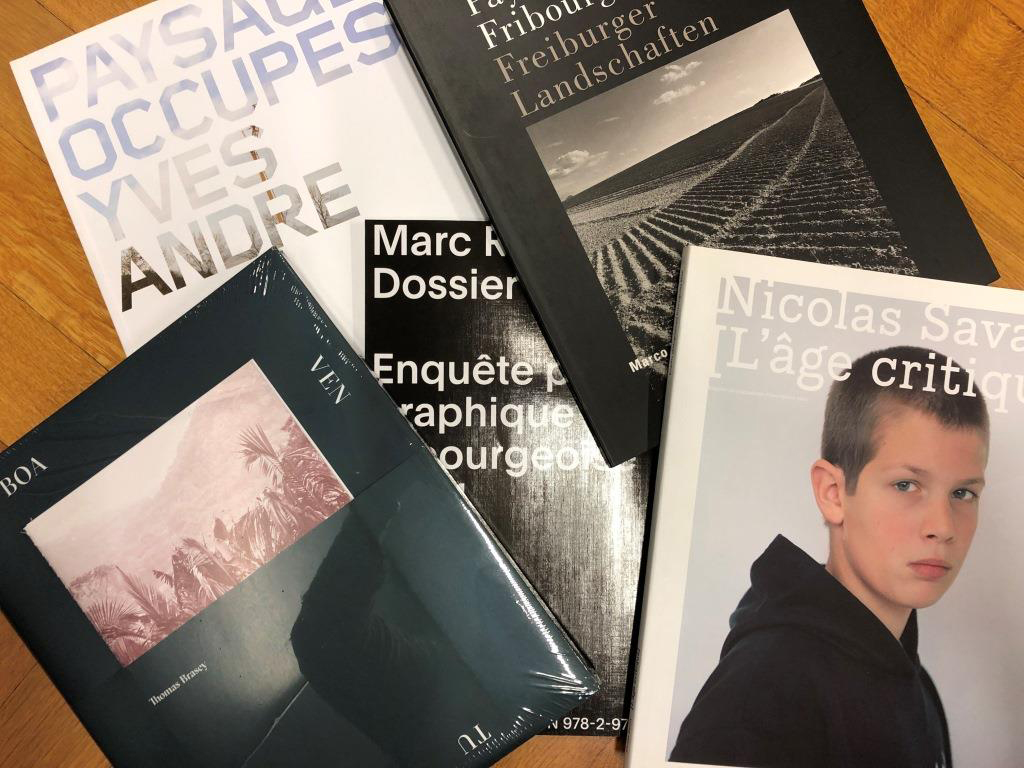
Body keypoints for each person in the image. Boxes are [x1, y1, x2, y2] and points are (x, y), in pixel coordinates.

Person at [669, 346, 989, 768]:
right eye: (906, 485)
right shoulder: (762, 690)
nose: (943, 526)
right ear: (833, 493)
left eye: (963, 493)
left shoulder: (913, 678)